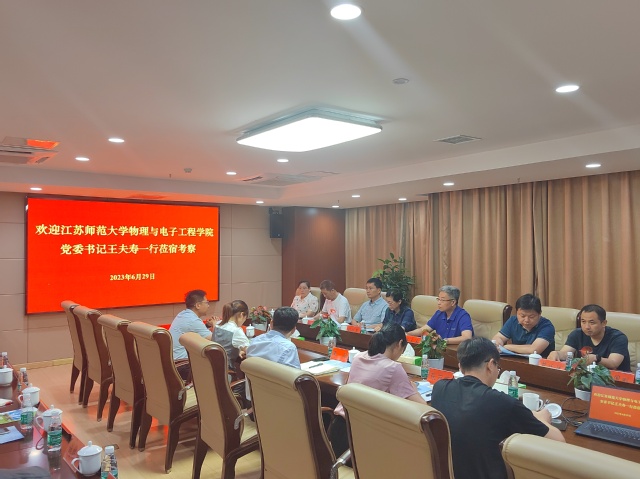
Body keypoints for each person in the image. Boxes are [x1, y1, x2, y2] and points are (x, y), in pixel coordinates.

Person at [431, 337, 564, 479]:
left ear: (460, 366)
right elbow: (559, 442)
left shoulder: (439, 388)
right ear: (490, 365)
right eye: (498, 367)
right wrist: (543, 419)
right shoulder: (503, 402)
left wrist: (528, 413)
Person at [329, 323, 425, 457]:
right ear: (399, 344)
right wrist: (413, 389)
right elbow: (422, 408)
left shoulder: (358, 357)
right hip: (364, 436)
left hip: (339, 428)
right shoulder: (393, 367)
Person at [547, 304, 631, 371]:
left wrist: (596, 358)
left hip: (615, 381)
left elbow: (613, 363)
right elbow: (566, 353)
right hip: (585, 378)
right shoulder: (577, 334)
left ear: (604, 323)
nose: (587, 327)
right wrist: (557, 353)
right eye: (583, 322)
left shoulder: (618, 338)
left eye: (592, 322)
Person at [169, 289, 213, 380]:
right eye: (207, 302)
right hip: (183, 366)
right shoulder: (193, 320)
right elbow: (214, 340)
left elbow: (193, 332)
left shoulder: (183, 314)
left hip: (174, 363)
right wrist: (215, 325)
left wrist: (207, 326)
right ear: (198, 305)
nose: (208, 306)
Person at [409, 285, 473, 345]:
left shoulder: (463, 316)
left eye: (442, 300)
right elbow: (423, 330)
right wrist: (407, 334)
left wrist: (444, 341)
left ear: (453, 302)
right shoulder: (439, 314)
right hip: (441, 349)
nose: (439, 303)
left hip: (456, 350)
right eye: (438, 299)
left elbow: (467, 337)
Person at [213, 300, 251, 371]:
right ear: (242, 314)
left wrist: (240, 350)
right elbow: (250, 351)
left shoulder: (218, 324)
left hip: (214, 367)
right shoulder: (236, 330)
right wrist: (244, 350)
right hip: (226, 371)